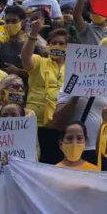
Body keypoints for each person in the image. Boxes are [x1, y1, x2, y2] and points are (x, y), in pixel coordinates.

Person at [21, 16, 66, 164]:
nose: (57, 46)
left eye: (62, 44)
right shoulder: (40, 61)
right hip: (36, 125)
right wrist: (33, 34)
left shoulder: (74, 67)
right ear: (47, 46)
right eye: (54, 43)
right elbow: (25, 58)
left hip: (61, 124)